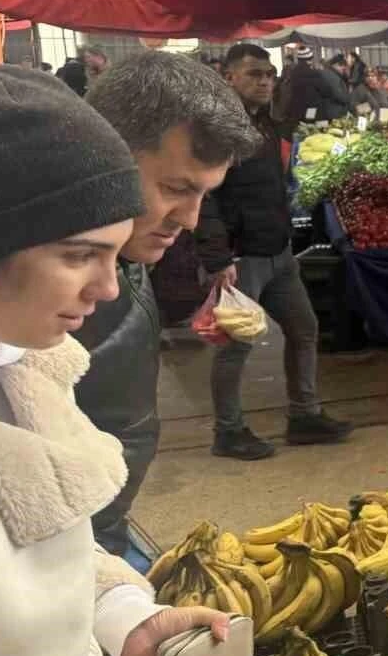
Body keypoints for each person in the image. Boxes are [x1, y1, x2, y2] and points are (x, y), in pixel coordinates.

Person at [0, 64, 280, 656]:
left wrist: (124, 618)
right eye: (81, 252)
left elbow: (44, 537)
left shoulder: (21, 367)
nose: (111, 286)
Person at [78, 52, 262, 555]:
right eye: (175, 188)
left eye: (204, 194)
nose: (190, 219)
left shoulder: (130, 259)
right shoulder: (22, 282)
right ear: (103, 151)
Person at [196, 43, 352, 460]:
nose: (265, 81)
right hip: (240, 257)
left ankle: (304, 416)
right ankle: (227, 431)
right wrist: (217, 258)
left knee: (304, 328)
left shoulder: (269, 125)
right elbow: (204, 197)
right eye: (254, 74)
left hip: (279, 252)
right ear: (229, 77)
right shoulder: (217, 132)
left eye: (268, 74)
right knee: (236, 345)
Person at [281, 45, 350, 123]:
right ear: (310, 59)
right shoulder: (314, 74)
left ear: (298, 59)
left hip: (297, 110)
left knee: (302, 131)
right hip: (312, 110)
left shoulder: (292, 73)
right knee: (313, 129)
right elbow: (326, 91)